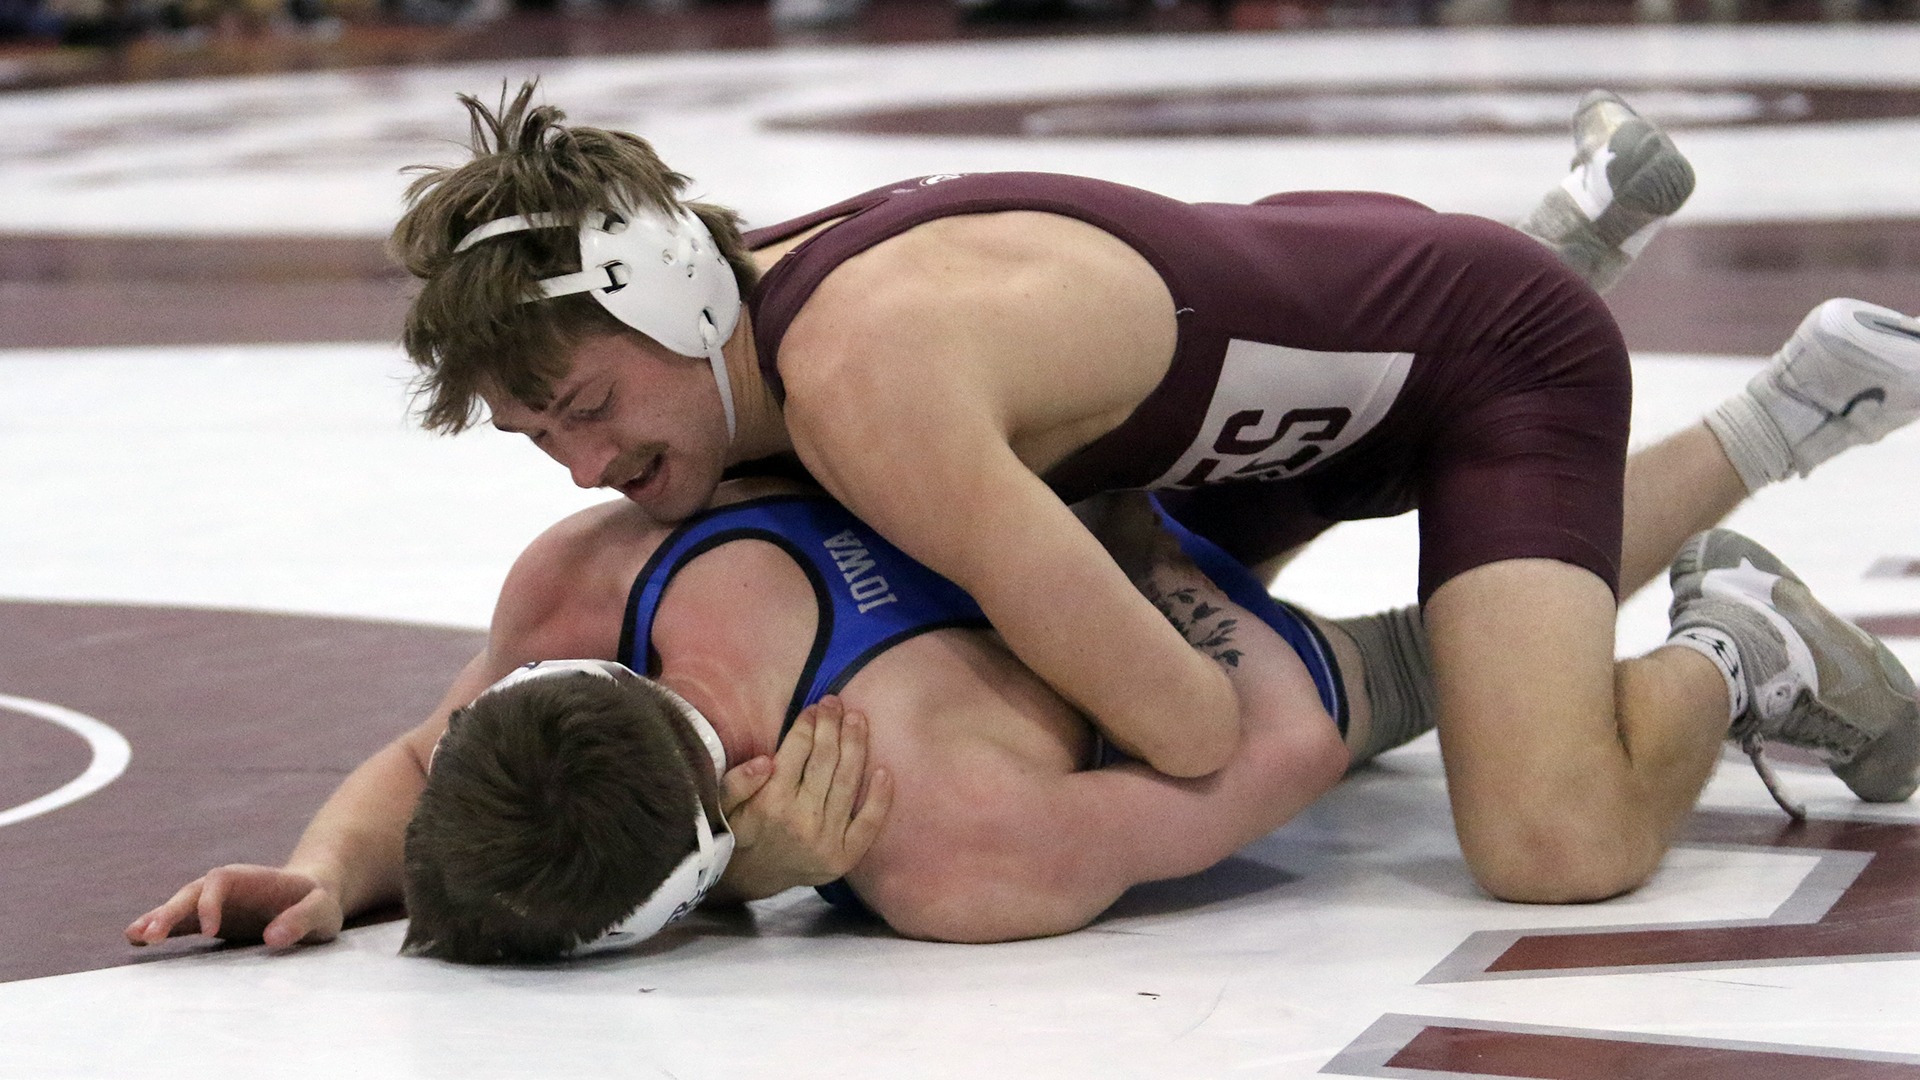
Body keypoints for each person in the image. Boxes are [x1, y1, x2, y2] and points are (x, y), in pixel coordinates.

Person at [389, 80, 1920, 906]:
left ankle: (1742, 639)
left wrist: (737, 859)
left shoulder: (863, 389)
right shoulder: (766, 308)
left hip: (1480, 369)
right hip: (1293, 355)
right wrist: (345, 874)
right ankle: (1609, 274)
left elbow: (1194, 731)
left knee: (1549, 845)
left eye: (589, 410)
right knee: (1107, 541)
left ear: (673, 293)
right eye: (539, 440)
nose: (584, 472)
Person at [128, 479, 1357, 953]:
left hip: (1160, 526)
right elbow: (423, 763)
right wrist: (325, 872)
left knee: (1387, 675)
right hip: (1137, 483)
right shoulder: (599, 582)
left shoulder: (948, 850)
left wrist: (1154, 560)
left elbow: (1294, 743)